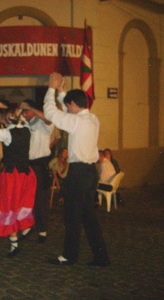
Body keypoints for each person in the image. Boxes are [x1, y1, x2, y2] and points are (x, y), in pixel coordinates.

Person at [43, 72, 110, 267]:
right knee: (88, 217)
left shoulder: (76, 122)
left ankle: (69, 256)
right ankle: (101, 256)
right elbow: (67, 107)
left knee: (72, 216)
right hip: (90, 174)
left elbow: (51, 112)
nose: (67, 108)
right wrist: (62, 90)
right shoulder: (92, 119)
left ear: (74, 105)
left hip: (79, 174)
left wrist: (51, 88)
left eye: (69, 105)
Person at [0, 102, 36, 257]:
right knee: (19, 205)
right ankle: (24, 229)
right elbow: (10, 119)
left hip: (12, 176)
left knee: (9, 206)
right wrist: (2, 108)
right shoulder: (27, 129)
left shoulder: (7, 134)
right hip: (25, 174)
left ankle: (15, 242)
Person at [20, 99, 54, 243]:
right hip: (27, 165)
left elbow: (47, 120)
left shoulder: (43, 124)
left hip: (39, 166)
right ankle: (28, 225)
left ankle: (43, 230)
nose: (24, 115)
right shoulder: (26, 124)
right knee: (26, 198)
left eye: (26, 112)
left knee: (40, 200)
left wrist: (32, 108)